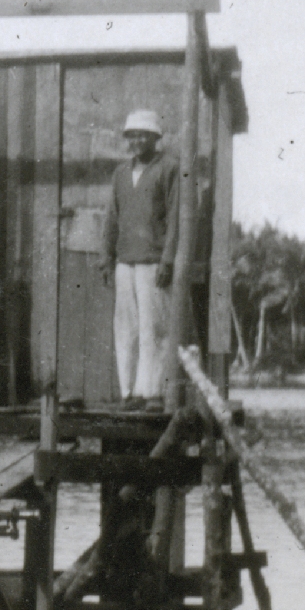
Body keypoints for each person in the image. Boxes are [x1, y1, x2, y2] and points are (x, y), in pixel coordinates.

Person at [101, 109, 179, 408]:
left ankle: (153, 392)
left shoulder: (170, 168)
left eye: (142, 135)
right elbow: (112, 217)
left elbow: (176, 219)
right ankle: (129, 392)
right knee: (126, 327)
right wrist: (106, 258)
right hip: (125, 263)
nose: (136, 141)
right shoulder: (120, 174)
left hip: (153, 263)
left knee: (154, 328)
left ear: (155, 138)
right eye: (131, 135)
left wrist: (168, 260)